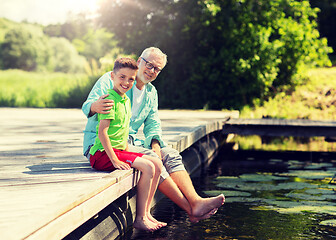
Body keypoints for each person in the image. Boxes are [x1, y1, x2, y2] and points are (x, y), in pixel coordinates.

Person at [82, 47, 225, 223]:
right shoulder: (118, 78)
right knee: (151, 158)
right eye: (149, 65)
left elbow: (153, 122)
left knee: (169, 153)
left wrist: (156, 144)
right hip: (104, 144)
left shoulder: (151, 92)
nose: (152, 71)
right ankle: (190, 208)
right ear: (140, 61)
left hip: (129, 141)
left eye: (157, 69)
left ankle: (196, 200)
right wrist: (94, 106)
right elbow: (87, 104)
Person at [88, 57, 165, 231]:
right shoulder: (109, 100)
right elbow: (102, 133)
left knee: (157, 164)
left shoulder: (125, 100)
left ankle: (146, 213)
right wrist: (115, 160)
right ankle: (139, 218)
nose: (127, 82)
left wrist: (130, 153)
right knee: (148, 167)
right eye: (122, 77)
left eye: (131, 78)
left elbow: (122, 132)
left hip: (119, 150)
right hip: (102, 155)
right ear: (112, 76)